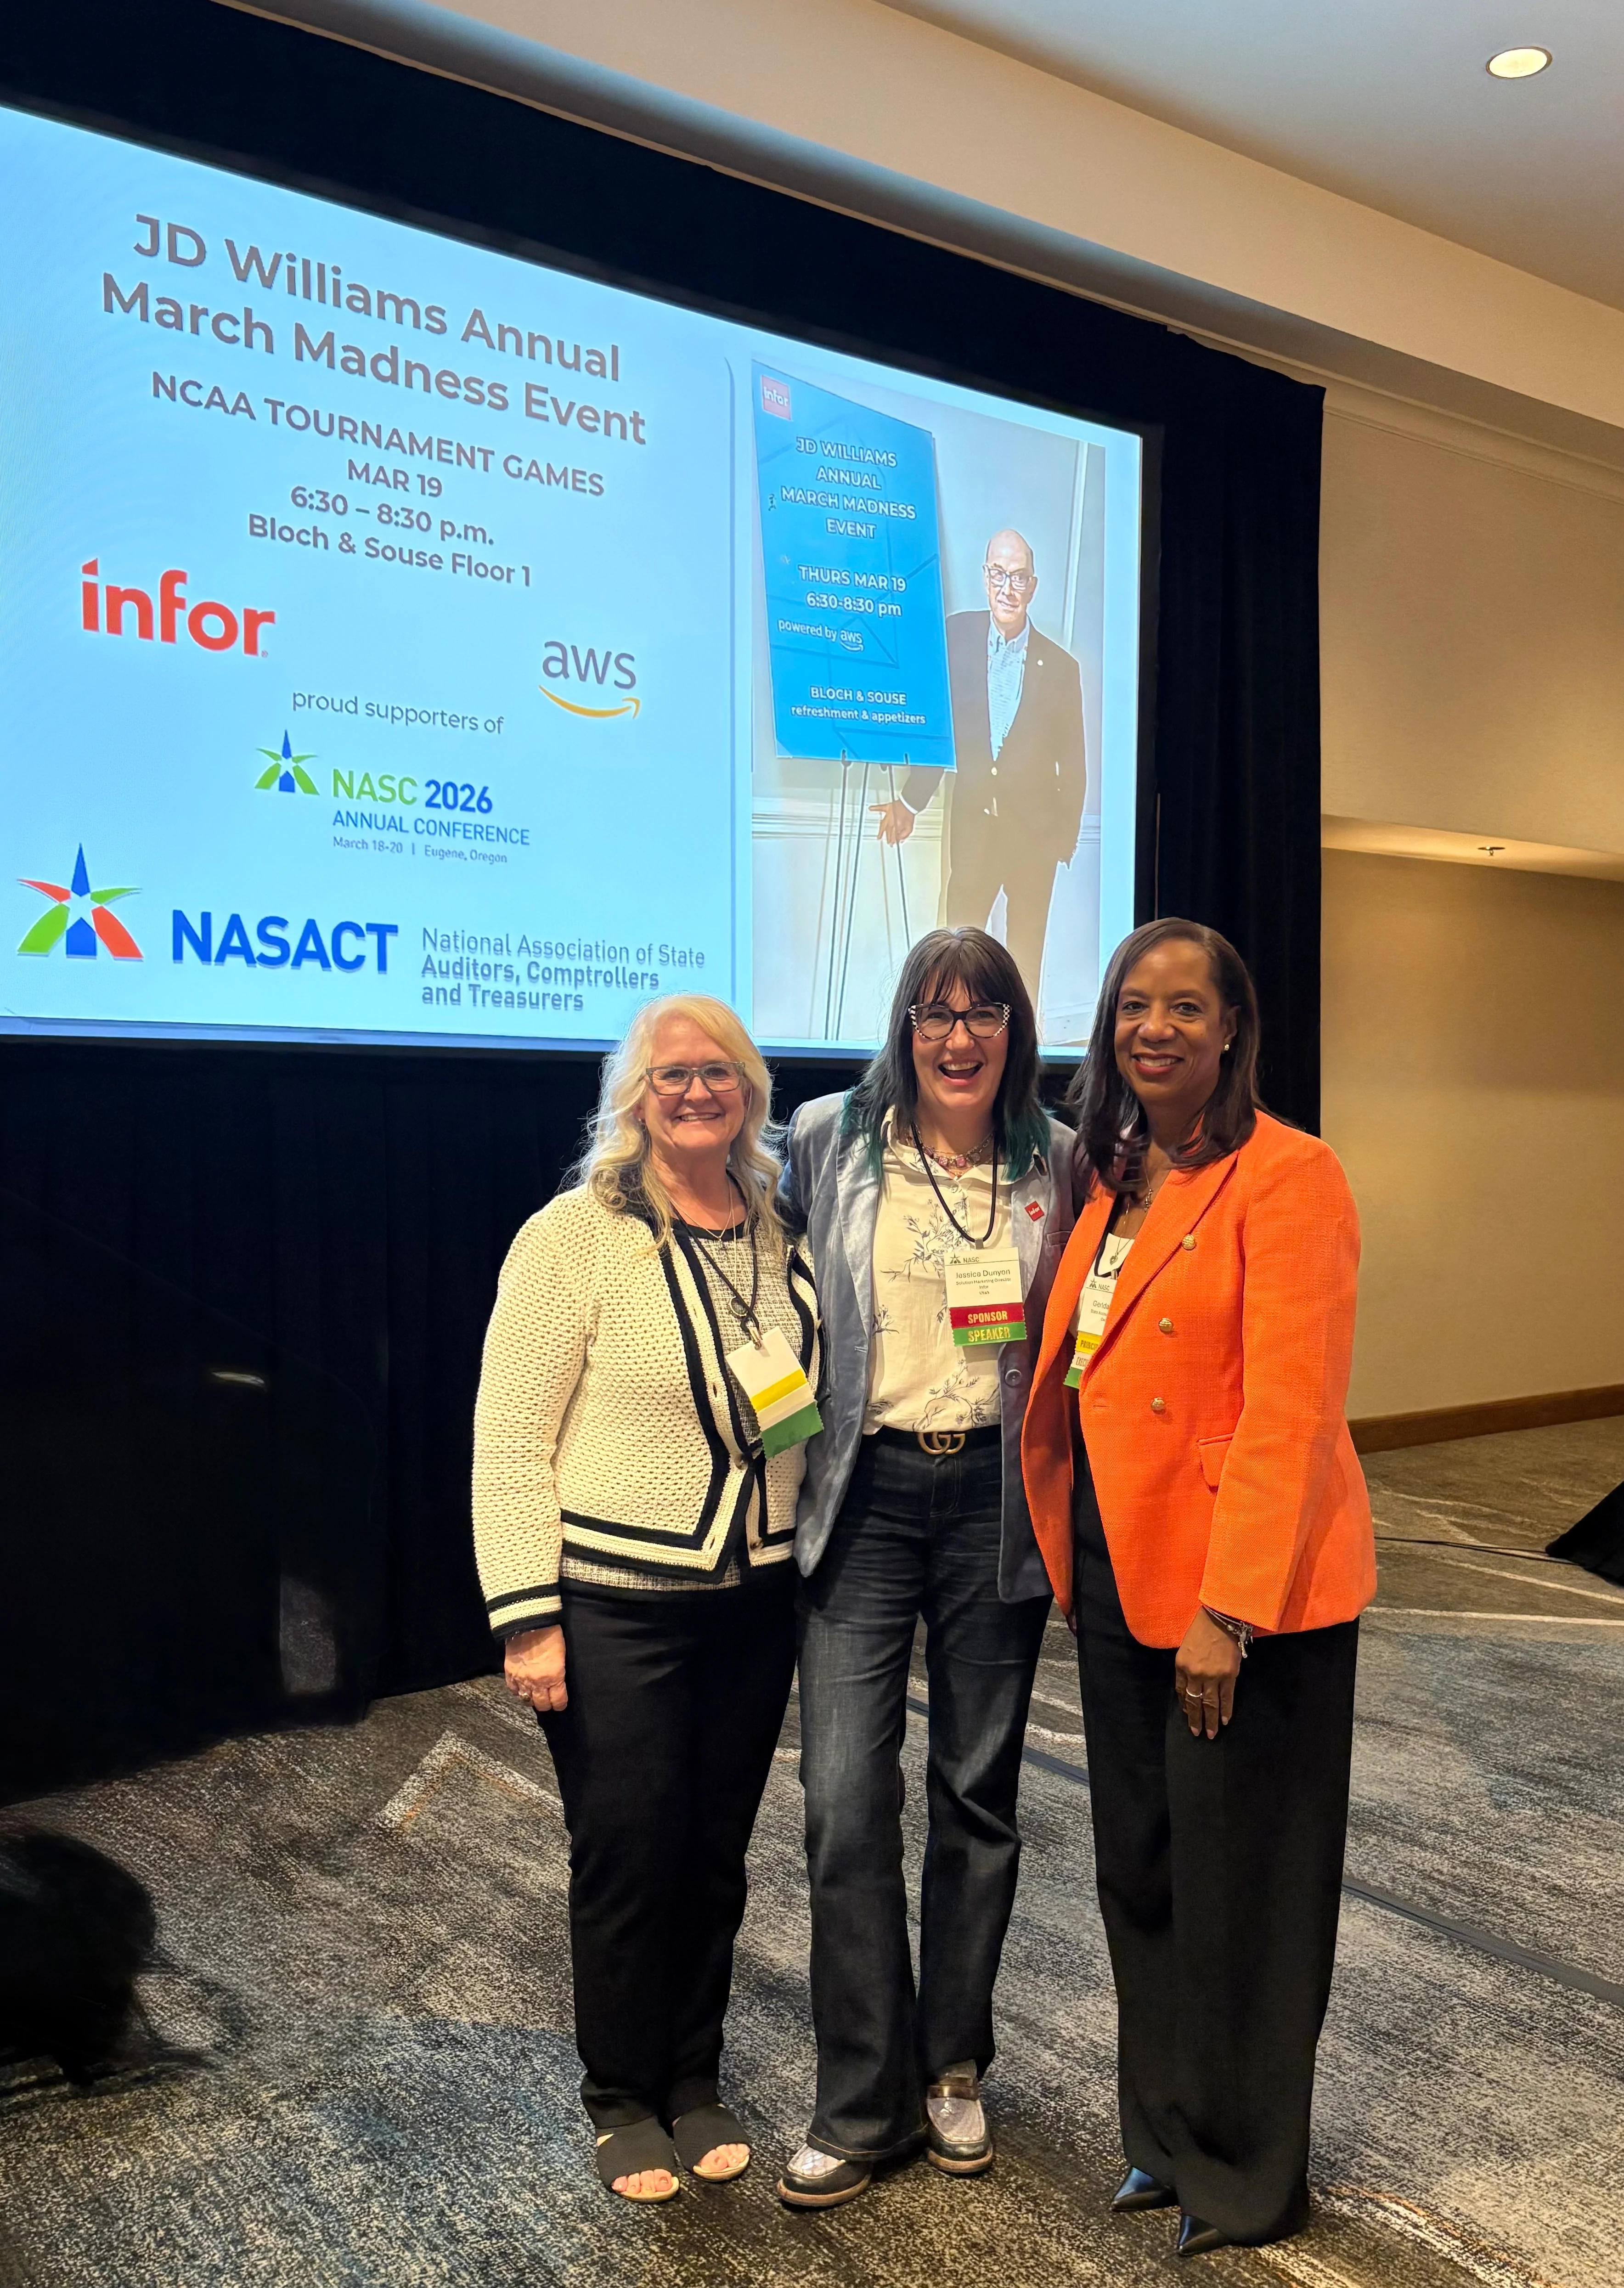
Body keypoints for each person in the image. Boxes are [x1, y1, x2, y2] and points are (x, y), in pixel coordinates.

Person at [1020, 919, 1377, 2257]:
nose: (1150, 1027)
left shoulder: (1288, 1176)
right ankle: (1159, 2136)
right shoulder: (1115, 1175)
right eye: (1129, 1005)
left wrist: (1225, 1612)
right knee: (1143, 1869)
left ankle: (1242, 2172)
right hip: (1115, 1566)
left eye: (1182, 1006)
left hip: (1246, 1591)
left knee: (1245, 1885)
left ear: (1229, 1028)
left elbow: (1288, 1407)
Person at [472, 994, 820, 2203]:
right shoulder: (572, 1233)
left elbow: (802, 1404)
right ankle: (622, 2093)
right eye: (672, 1073)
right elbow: (510, 1438)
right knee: (628, 1848)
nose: (695, 1089)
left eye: (717, 1069)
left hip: (753, 1597)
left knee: (714, 1851)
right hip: (615, 1600)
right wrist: (528, 1612)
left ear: (750, 1089)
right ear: (637, 1093)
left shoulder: (782, 1228)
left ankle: (695, 2075)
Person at [775, 926, 1076, 2208]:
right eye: (934, 1011)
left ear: (1016, 1030)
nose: (959, 1036)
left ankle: (952, 2060)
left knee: (978, 1792)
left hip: (995, 1499)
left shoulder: (1058, 1160)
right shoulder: (825, 1137)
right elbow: (769, 1293)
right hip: (869, 1489)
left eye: (985, 1011)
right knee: (846, 1799)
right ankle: (861, 2097)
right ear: (902, 1025)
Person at [871, 529, 1087, 1007]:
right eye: (997, 574)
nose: (1006, 587)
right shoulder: (956, 637)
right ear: (984, 577)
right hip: (972, 832)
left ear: (1032, 586)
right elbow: (940, 733)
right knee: (955, 957)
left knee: (1024, 963)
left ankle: (1022, 1065)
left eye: (1017, 577)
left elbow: (1073, 762)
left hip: (1034, 841)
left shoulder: (1062, 666)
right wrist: (909, 801)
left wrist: (1061, 838)